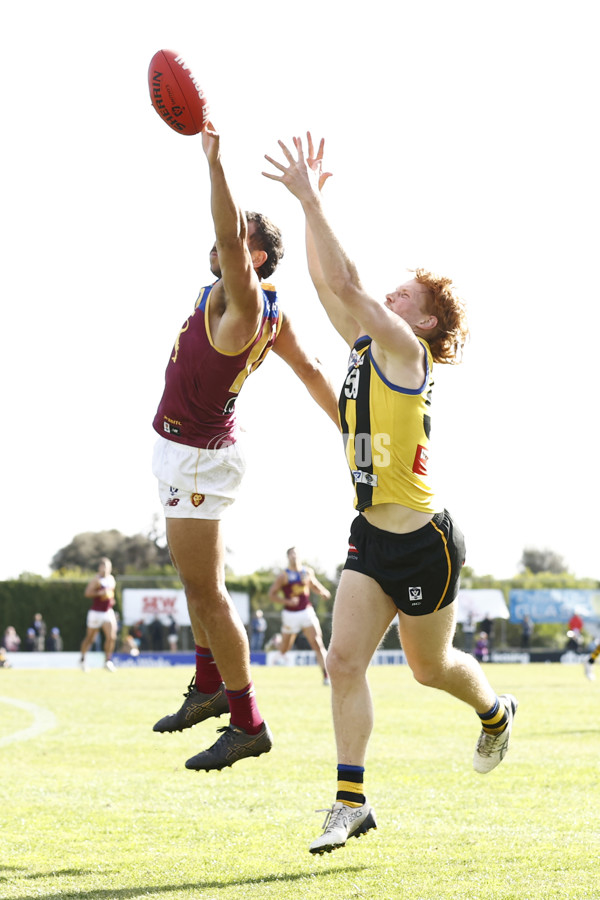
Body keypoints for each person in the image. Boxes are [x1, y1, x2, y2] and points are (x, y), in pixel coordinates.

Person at [263, 133, 518, 854]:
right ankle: (351, 801)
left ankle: (495, 712)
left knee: (429, 669)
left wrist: (309, 198)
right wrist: (313, 212)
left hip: (426, 542)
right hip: (371, 538)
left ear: (426, 322)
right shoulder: (371, 346)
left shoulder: (406, 352)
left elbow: (345, 287)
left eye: (404, 294)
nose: (390, 294)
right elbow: (327, 286)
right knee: (341, 662)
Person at [150, 121, 339, 774]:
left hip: (197, 457)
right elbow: (313, 370)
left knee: (208, 594)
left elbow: (229, 232)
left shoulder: (247, 303)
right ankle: (208, 685)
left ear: (252, 257)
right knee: (196, 583)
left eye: (236, 241)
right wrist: (352, 430)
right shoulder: (267, 309)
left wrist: (215, 164)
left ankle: (247, 720)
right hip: (193, 451)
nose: (221, 242)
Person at [268, 547, 331, 683]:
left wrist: (323, 591)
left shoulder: (307, 572)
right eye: (291, 554)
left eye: (296, 553)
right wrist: (287, 601)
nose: (294, 556)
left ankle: (326, 676)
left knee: (317, 643)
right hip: (290, 615)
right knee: (285, 649)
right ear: (288, 557)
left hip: (306, 612)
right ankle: (276, 643)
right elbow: (271, 594)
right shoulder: (283, 576)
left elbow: (313, 584)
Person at [79, 557, 118, 672]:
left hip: (107, 612)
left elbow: (111, 593)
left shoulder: (111, 579)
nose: (107, 569)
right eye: (105, 567)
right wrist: (99, 592)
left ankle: (107, 661)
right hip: (96, 612)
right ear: (100, 567)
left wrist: (112, 600)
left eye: (109, 567)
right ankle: (82, 660)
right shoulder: (96, 580)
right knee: (90, 638)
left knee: (112, 637)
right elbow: (87, 593)